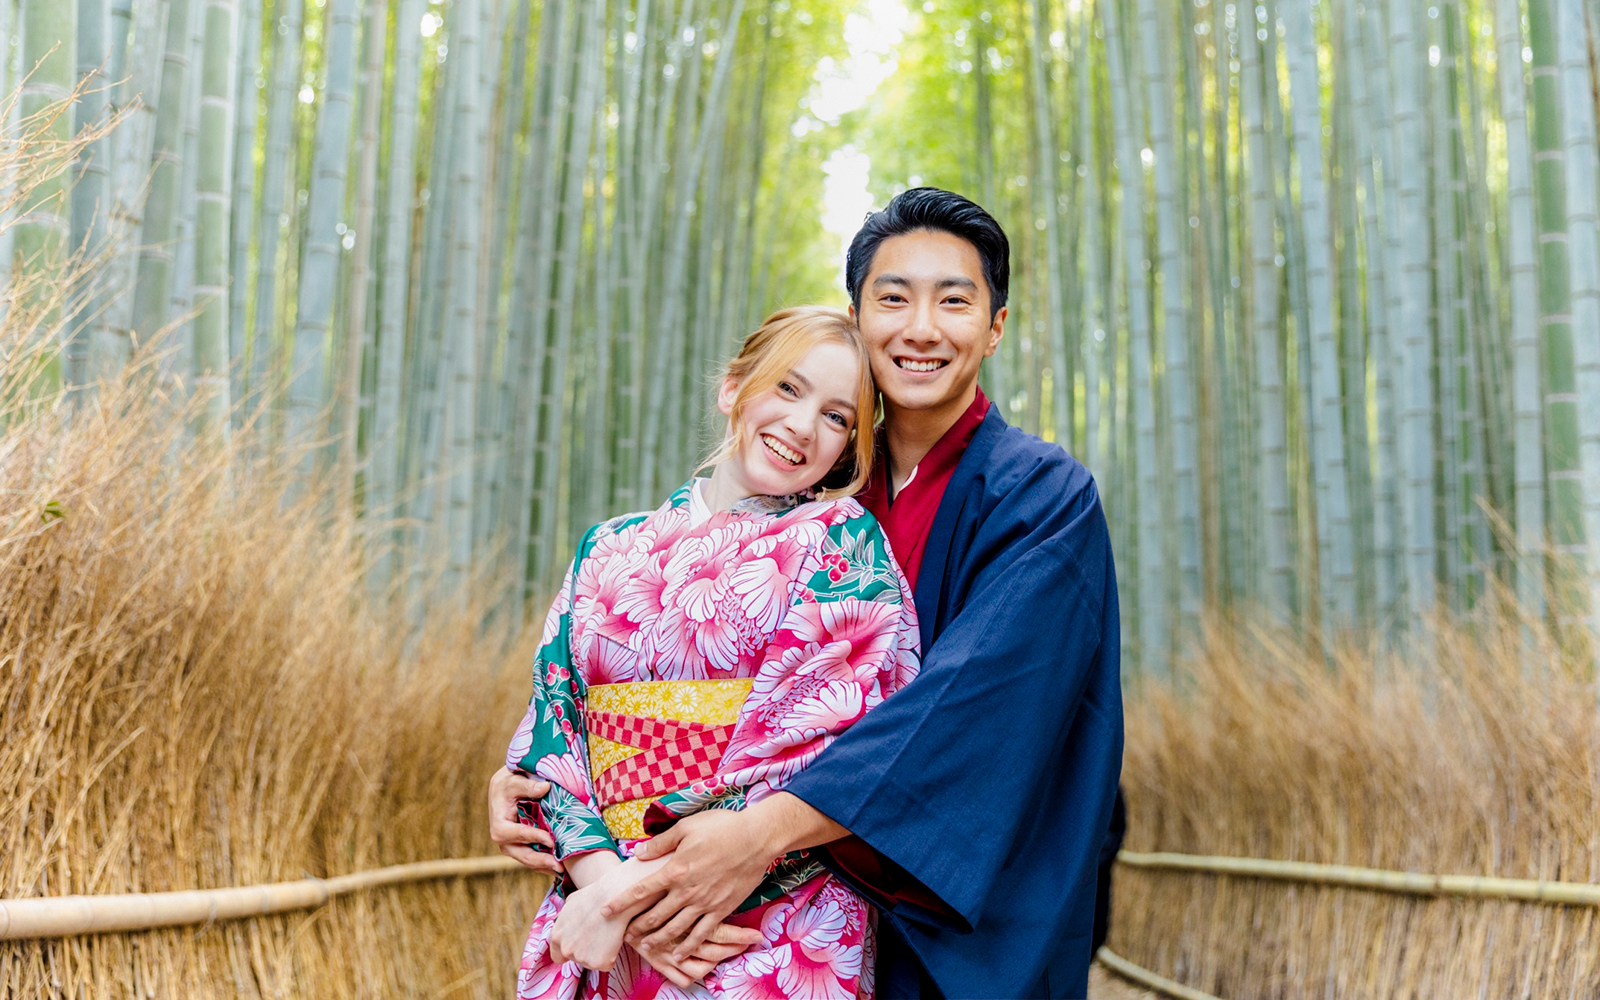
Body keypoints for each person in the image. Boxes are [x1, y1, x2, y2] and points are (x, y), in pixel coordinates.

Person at [498, 306, 923, 999]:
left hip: (767, 919)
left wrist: (635, 892)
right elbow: (554, 725)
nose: (801, 426)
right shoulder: (605, 546)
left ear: (848, 445)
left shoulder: (840, 542)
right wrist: (604, 885)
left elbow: (831, 748)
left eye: (836, 416)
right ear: (733, 388)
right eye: (787, 388)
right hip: (602, 904)